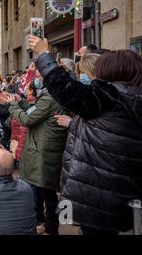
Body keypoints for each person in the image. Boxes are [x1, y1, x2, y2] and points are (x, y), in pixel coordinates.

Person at [30, 36, 142, 235]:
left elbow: (65, 88)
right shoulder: (132, 96)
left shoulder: (109, 96)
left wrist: (44, 54)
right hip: (121, 188)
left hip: (98, 191)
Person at [6, 69, 68, 235]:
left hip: (44, 150)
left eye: (39, 76)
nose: (36, 79)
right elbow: (35, 111)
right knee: (46, 191)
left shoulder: (49, 97)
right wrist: (21, 102)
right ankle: (47, 225)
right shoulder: (51, 95)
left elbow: (27, 119)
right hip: (44, 148)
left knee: (48, 193)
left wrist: (12, 105)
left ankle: (50, 228)